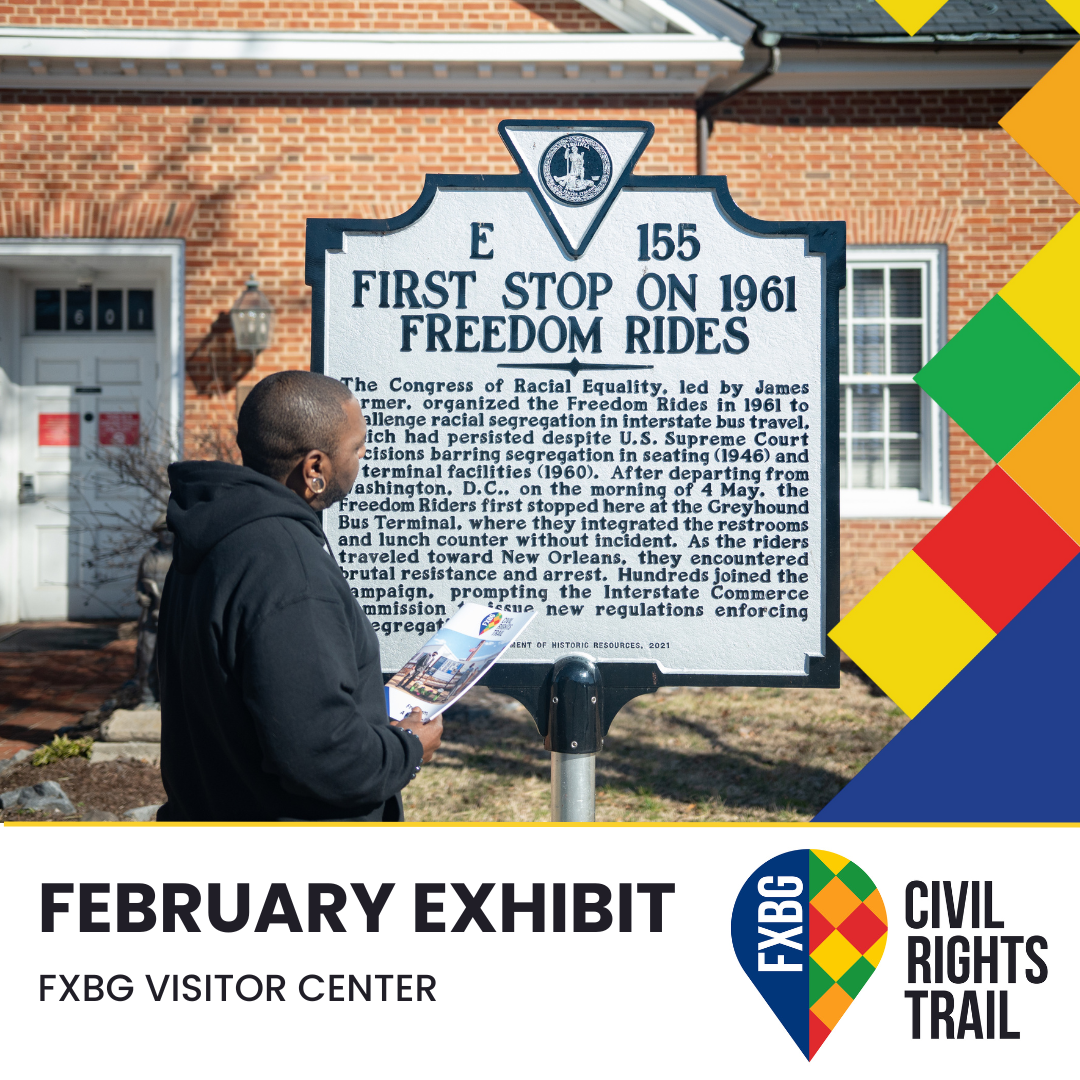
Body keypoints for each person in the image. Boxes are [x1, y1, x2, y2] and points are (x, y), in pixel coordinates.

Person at [156, 370, 441, 821]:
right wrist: (408, 748)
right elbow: (321, 755)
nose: (363, 457)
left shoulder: (215, 537)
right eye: (357, 447)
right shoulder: (289, 567)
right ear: (315, 468)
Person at [133, 512, 173, 704]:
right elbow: (139, 585)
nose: (166, 535)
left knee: (171, 660)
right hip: (150, 617)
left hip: (173, 616)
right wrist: (141, 597)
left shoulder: (182, 556)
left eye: (169, 531)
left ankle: (169, 700)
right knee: (146, 657)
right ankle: (147, 697)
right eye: (162, 532)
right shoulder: (148, 557)